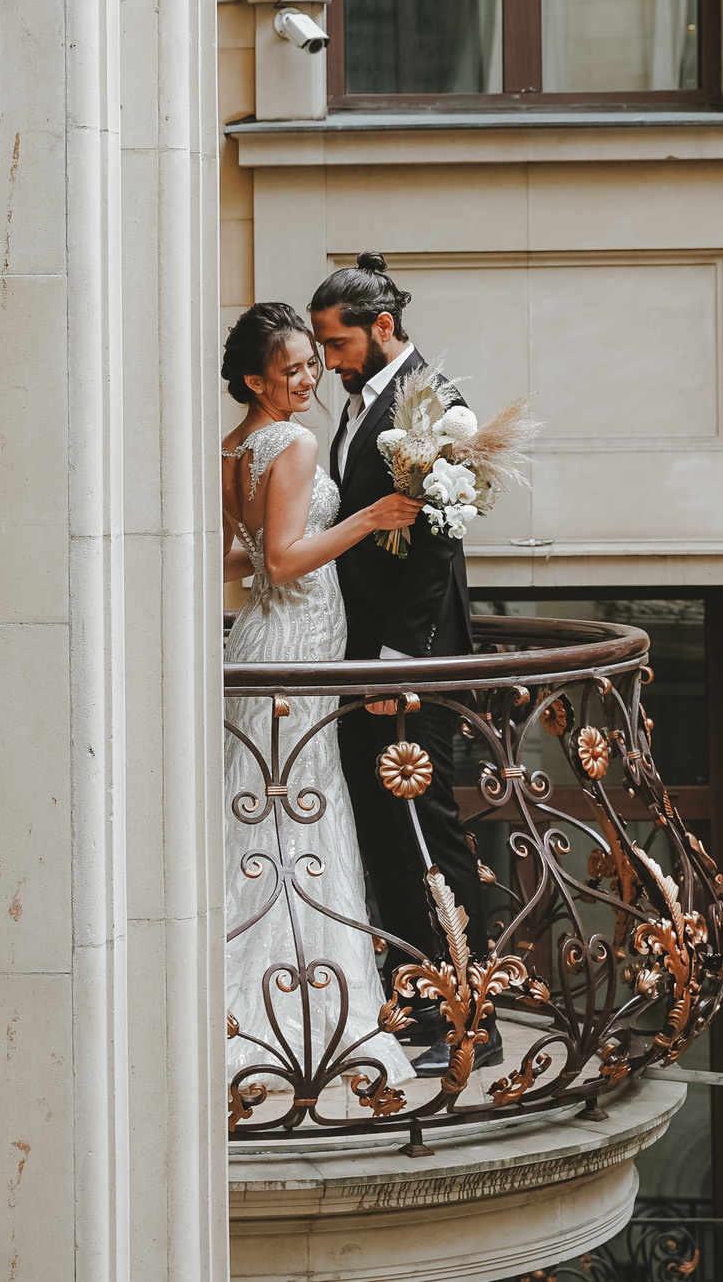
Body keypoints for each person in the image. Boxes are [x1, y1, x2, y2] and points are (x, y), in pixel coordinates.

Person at [219, 303, 424, 1102]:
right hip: (296, 642)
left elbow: (238, 561)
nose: (308, 379)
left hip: (260, 641)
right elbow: (282, 557)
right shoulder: (297, 442)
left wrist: (271, 570)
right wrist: (370, 517)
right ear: (253, 378)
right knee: (302, 805)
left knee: (261, 808)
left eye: (312, 363)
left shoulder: (233, 446)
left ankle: (250, 994)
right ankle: (307, 1008)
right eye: (292, 369)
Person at [307, 252, 497, 1077]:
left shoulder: (438, 405)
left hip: (406, 663)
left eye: (337, 342)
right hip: (358, 656)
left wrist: (395, 664)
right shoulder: (357, 409)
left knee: (430, 828)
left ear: (382, 327)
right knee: (385, 828)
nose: (328, 360)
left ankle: (473, 1013)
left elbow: (437, 553)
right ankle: (420, 996)